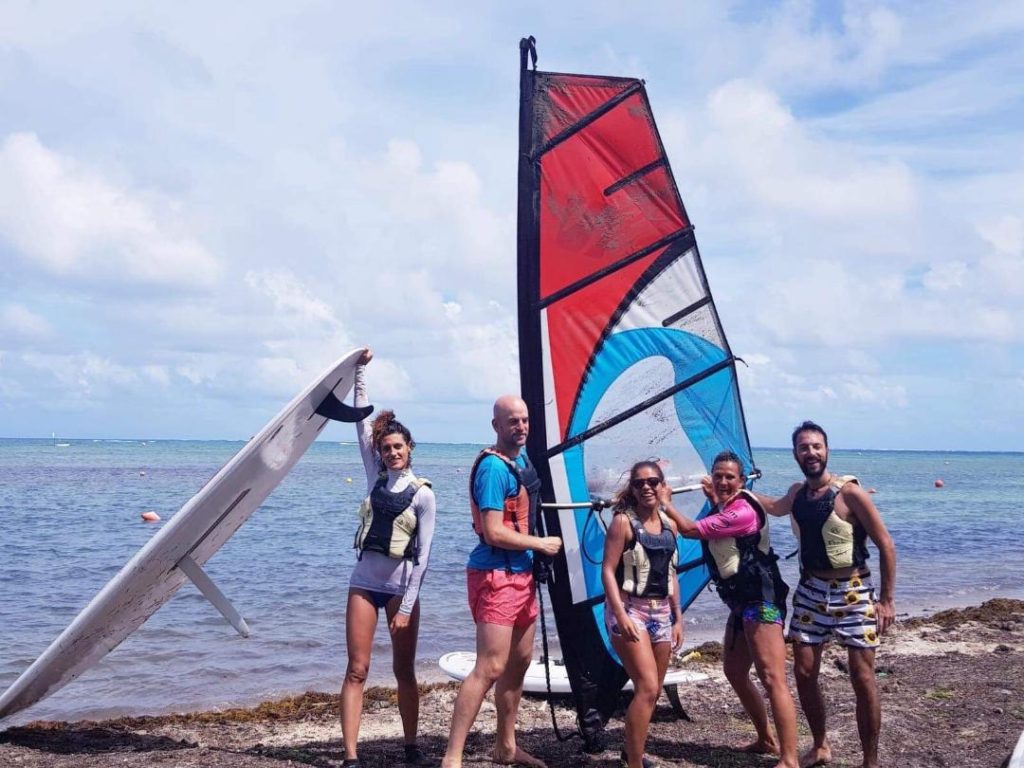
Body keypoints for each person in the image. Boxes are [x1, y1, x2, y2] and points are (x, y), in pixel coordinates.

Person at [757, 421, 897, 768]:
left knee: (862, 676)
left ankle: (870, 761)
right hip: (810, 592)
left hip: (855, 591)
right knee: (804, 673)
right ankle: (820, 746)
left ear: (827, 450)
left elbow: (886, 545)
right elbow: (774, 507)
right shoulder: (798, 494)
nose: (811, 452)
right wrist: (735, 493)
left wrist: (887, 601)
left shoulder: (850, 494)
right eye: (804, 447)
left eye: (817, 446)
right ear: (795, 455)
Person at [441, 395, 562, 768]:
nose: (521, 427)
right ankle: (452, 757)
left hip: (522, 575)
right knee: (490, 666)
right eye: (512, 421)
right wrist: (540, 543)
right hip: (495, 575)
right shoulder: (492, 469)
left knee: (519, 662)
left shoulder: (520, 459)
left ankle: (506, 747)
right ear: (496, 425)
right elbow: (493, 531)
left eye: (525, 421)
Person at [663, 451, 798, 768]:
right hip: (742, 604)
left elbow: (691, 530)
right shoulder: (725, 507)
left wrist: (665, 501)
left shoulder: (742, 511)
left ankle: (790, 758)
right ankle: (766, 738)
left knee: (772, 677)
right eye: (718, 475)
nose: (722, 481)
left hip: (761, 603)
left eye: (729, 477)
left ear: (741, 480)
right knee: (734, 671)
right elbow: (720, 536)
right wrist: (713, 501)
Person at [340, 349, 437, 768]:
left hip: (400, 591)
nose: (392, 453)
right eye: (386, 448)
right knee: (357, 669)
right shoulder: (373, 475)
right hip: (364, 584)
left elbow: (423, 559)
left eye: (398, 446)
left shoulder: (423, 495)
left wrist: (407, 608)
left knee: (404, 671)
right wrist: (359, 371)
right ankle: (350, 756)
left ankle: (411, 746)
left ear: (409, 448)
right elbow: (362, 423)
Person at [601, 461, 684, 768]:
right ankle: (635, 764)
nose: (647, 487)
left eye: (653, 482)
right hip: (630, 611)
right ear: (632, 489)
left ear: (662, 485)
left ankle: (630, 751)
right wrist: (620, 616)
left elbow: (671, 574)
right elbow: (608, 571)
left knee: (651, 690)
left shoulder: (670, 525)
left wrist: (678, 617)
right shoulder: (623, 523)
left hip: (662, 612)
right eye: (640, 483)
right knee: (648, 687)